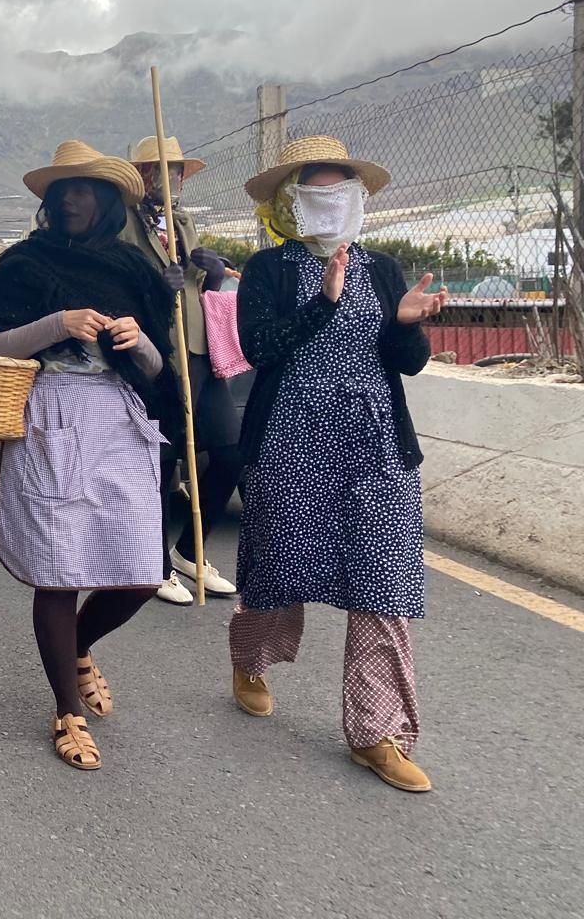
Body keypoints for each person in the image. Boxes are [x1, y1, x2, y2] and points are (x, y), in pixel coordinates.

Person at [231, 136, 444, 792]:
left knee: (383, 581)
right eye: (317, 194)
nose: (331, 206)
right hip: (289, 438)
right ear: (292, 204)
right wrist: (323, 300)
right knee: (278, 567)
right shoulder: (268, 271)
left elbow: (406, 362)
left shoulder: (382, 269)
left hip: (375, 442)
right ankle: (250, 660)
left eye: (342, 194)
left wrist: (406, 324)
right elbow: (259, 348)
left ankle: (376, 732)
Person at [0, 142, 177, 770]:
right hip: (47, 420)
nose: (71, 201)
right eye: (62, 191)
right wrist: (58, 322)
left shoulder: (137, 272)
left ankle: (80, 646)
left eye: (85, 190)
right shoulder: (20, 266)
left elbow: (156, 369)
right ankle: (66, 709)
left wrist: (139, 341)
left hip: (118, 424)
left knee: (144, 570)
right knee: (59, 570)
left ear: (110, 200)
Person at [121, 136, 240, 604]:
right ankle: (154, 564)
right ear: (144, 175)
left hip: (198, 351)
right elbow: (122, 284)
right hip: (155, 353)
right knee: (164, 458)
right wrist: (153, 285)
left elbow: (199, 291)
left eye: (179, 172)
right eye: (164, 171)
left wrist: (212, 274)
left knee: (229, 450)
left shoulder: (184, 221)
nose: (174, 180)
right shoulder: (124, 224)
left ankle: (190, 550)